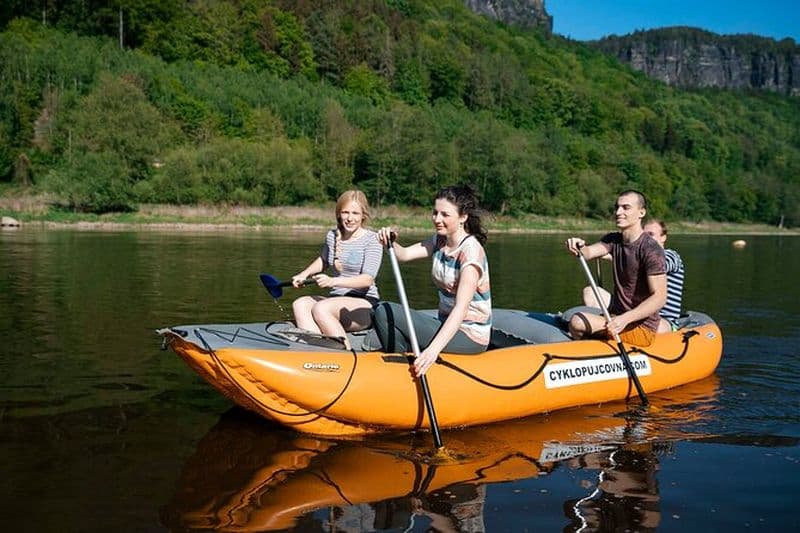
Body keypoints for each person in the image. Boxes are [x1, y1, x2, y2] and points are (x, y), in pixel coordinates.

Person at [373, 185, 492, 377]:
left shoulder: (470, 252)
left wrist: (432, 351)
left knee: (385, 311)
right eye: (435, 213)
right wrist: (390, 242)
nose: (437, 219)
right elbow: (404, 255)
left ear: (463, 217)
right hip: (445, 324)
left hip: (470, 334)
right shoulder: (440, 240)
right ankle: (400, 364)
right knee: (381, 310)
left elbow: (461, 309)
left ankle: (402, 369)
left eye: (445, 214)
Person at [565, 190, 666, 347]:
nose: (618, 212)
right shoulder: (613, 240)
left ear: (641, 212)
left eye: (626, 208)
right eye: (617, 207)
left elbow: (659, 297)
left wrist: (625, 319)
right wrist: (578, 246)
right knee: (579, 316)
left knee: (577, 321)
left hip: (641, 327)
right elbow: (588, 252)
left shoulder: (650, 249)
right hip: (616, 317)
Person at [291, 190, 383, 347]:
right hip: (335, 300)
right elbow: (324, 260)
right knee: (300, 304)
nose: (350, 218)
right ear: (339, 214)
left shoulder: (372, 240)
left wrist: (332, 281)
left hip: (364, 304)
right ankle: (315, 349)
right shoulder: (332, 236)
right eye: (345, 212)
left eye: (355, 213)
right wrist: (303, 274)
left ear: (363, 215)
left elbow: (367, 280)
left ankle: (344, 351)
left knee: (321, 308)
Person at [583, 219, 684, 333]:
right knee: (590, 292)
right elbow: (636, 262)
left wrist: (616, 258)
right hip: (632, 311)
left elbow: (654, 265)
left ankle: (612, 327)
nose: (647, 239)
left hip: (662, 319)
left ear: (663, 237)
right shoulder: (639, 254)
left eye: (651, 234)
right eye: (645, 235)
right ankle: (604, 328)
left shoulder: (672, 256)